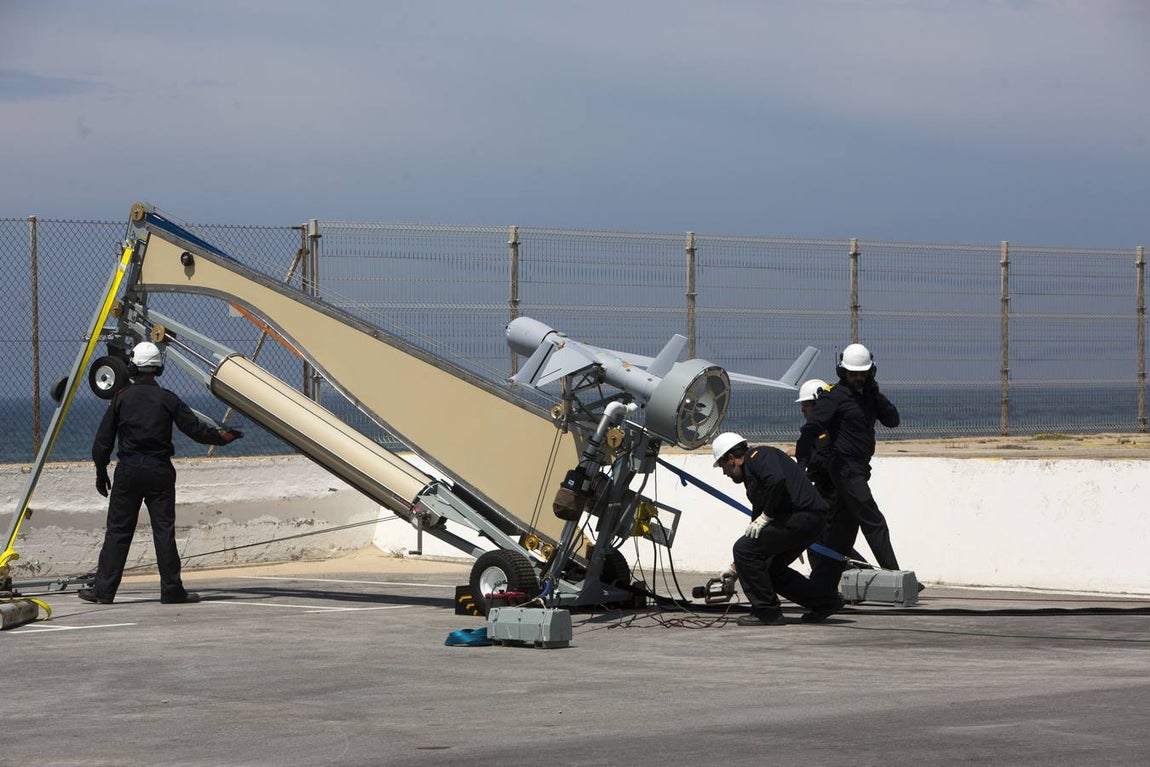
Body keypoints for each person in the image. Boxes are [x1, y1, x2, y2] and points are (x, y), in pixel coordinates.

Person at [79, 341, 244, 605]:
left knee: (118, 531)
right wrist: (223, 437)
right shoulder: (168, 399)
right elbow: (195, 429)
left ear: (133, 366)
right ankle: (171, 589)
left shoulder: (121, 398)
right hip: (159, 470)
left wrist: (101, 471)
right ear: (158, 368)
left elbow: (103, 442)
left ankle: (103, 591)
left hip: (128, 471)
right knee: (163, 531)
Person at [795, 343, 900, 595]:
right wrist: (800, 464)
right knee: (873, 519)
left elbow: (893, 420)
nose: (858, 378)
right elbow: (811, 429)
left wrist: (875, 393)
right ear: (843, 372)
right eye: (853, 374)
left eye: (863, 373)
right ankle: (896, 576)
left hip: (860, 469)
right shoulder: (834, 396)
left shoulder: (869, 396)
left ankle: (822, 585)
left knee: (841, 533)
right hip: (844, 469)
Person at [711, 431, 845, 626]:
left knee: (742, 549)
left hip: (802, 517)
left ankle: (767, 612)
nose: (724, 472)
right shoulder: (752, 475)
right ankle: (826, 602)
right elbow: (756, 527)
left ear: (731, 458)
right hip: (804, 521)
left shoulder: (758, 456)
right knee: (770, 569)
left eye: (723, 466)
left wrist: (768, 517)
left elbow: (777, 481)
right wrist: (735, 568)